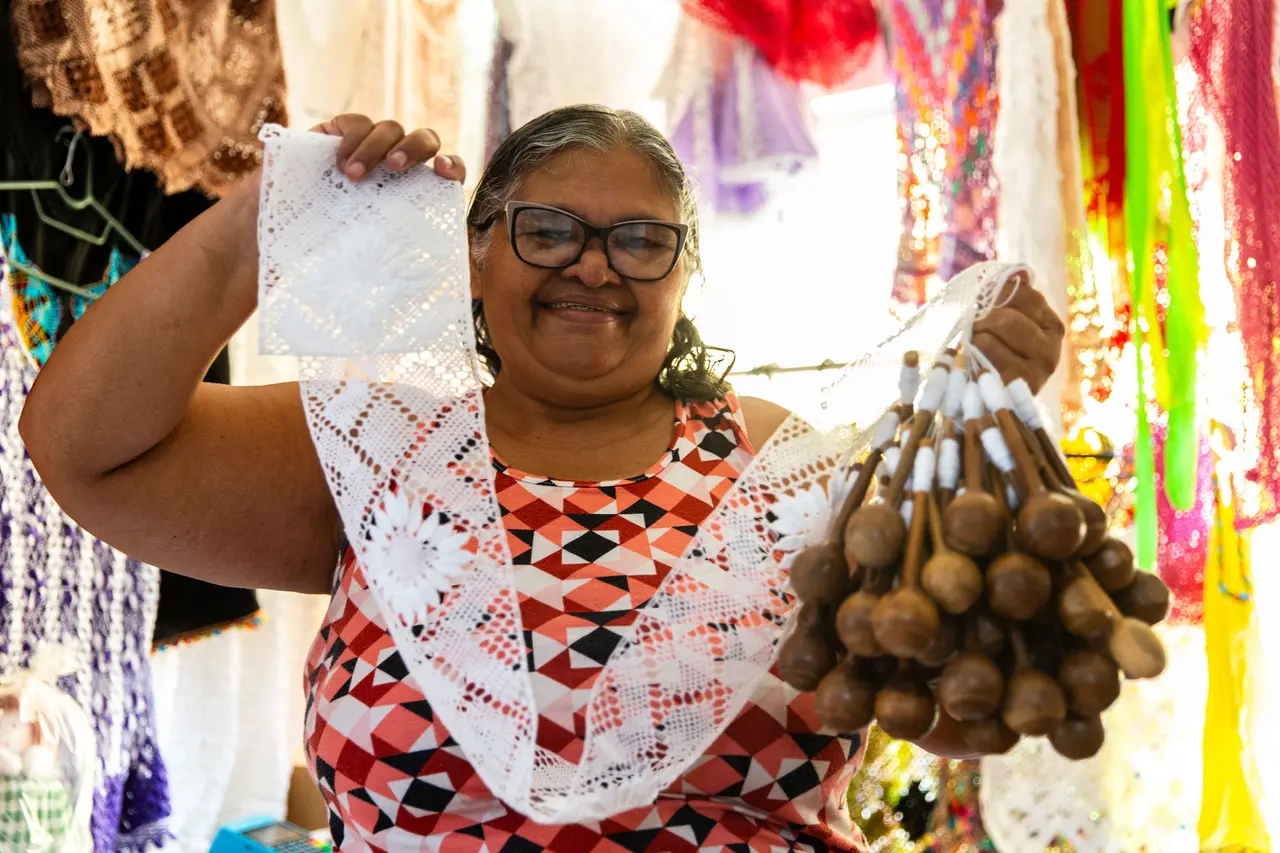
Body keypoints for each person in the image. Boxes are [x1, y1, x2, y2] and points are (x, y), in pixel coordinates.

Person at [22, 105, 1065, 851]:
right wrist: (270, 220)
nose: (594, 267)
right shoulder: (383, 453)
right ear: (474, 256)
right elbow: (83, 448)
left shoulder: (771, 467)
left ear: (683, 275)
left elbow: (955, 717)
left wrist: (986, 442)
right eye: (548, 231)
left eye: (640, 241)